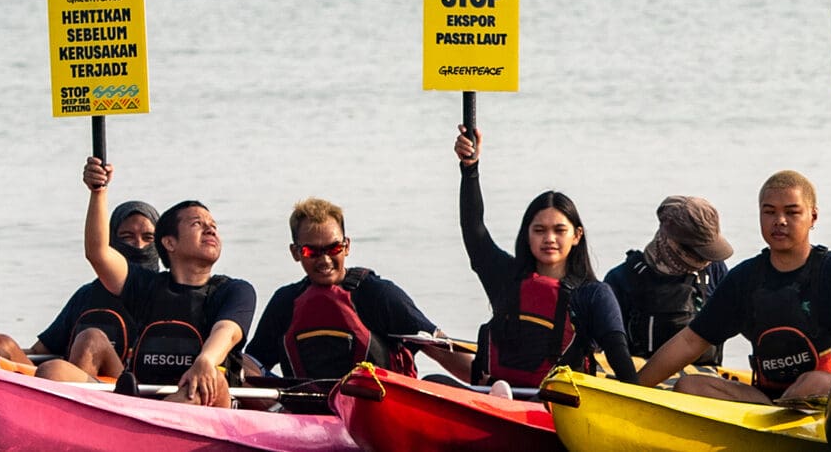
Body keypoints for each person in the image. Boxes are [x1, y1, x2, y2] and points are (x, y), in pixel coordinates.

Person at [35, 157, 257, 408]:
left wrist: (205, 360)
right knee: (53, 370)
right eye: (198, 224)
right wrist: (99, 191)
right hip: (139, 404)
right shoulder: (145, 287)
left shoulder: (234, 290)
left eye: (213, 226)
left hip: (201, 403)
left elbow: (226, 332)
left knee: (211, 379)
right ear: (169, 243)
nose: (211, 230)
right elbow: (98, 253)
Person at [454, 125, 638, 390]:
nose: (549, 238)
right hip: (497, 397)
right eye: (539, 230)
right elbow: (474, 230)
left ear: (577, 236)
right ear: (526, 235)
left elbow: (621, 364)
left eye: (559, 230)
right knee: (432, 381)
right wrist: (470, 169)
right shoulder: (507, 277)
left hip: (559, 405)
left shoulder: (594, 295)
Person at [637, 170, 831, 404]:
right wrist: (632, 389)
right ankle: (772, 419)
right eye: (769, 212)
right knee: (688, 385)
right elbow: (691, 341)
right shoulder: (745, 278)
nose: (780, 221)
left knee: (812, 383)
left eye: (792, 212)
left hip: (825, 396)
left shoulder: (829, 271)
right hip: (765, 399)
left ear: (813, 217)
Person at [244, 197, 473, 385]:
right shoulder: (285, 301)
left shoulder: (378, 295)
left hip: (377, 408)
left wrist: (486, 379)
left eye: (333, 248)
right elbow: (253, 361)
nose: (324, 260)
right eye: (311, 251)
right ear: (295, 252)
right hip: (308, 410)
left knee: (434, 380)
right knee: (237, 365)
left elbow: (439, 347)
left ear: (347, 246)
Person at [0, 200, 161, 365]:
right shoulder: (88, 295)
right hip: (63, 381)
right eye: (127, 237)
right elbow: (40, 351)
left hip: (126, 388)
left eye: (148, 238)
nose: (138, 246)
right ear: (111, 241)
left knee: (91, 340)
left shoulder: (164, 291)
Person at [604, 196, 732, 365]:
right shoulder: (621, 280)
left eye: (707, 252)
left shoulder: (715, 270)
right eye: (698, 252)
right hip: (640, 379)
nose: (704, 261)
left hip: (702, 377)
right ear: (671, 240)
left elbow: (744, 320)